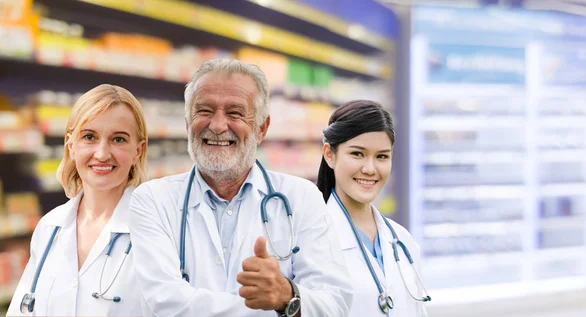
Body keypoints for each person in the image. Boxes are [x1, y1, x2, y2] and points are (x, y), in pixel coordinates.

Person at [128, 59, 352, 317]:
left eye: (235, 113)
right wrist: (279, 306)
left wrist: (286, 294)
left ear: (262, 128)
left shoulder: (302, 198)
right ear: (188, 124)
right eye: (204, 111)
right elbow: (164, 301)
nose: (218, 125)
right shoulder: (152, 200)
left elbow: (335, 304)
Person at [7, 84, 148, 316]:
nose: (102, 154)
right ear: (71, 145)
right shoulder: (49, 227)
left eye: (119, 139)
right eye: (89, 137)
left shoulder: (157, 231)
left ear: (138, 151)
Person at [317, 100, 430, 317]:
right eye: (357, 154)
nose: (370, 169)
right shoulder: (311, 241)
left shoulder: (403, 241)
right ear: (330, 155)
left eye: (381, 156)